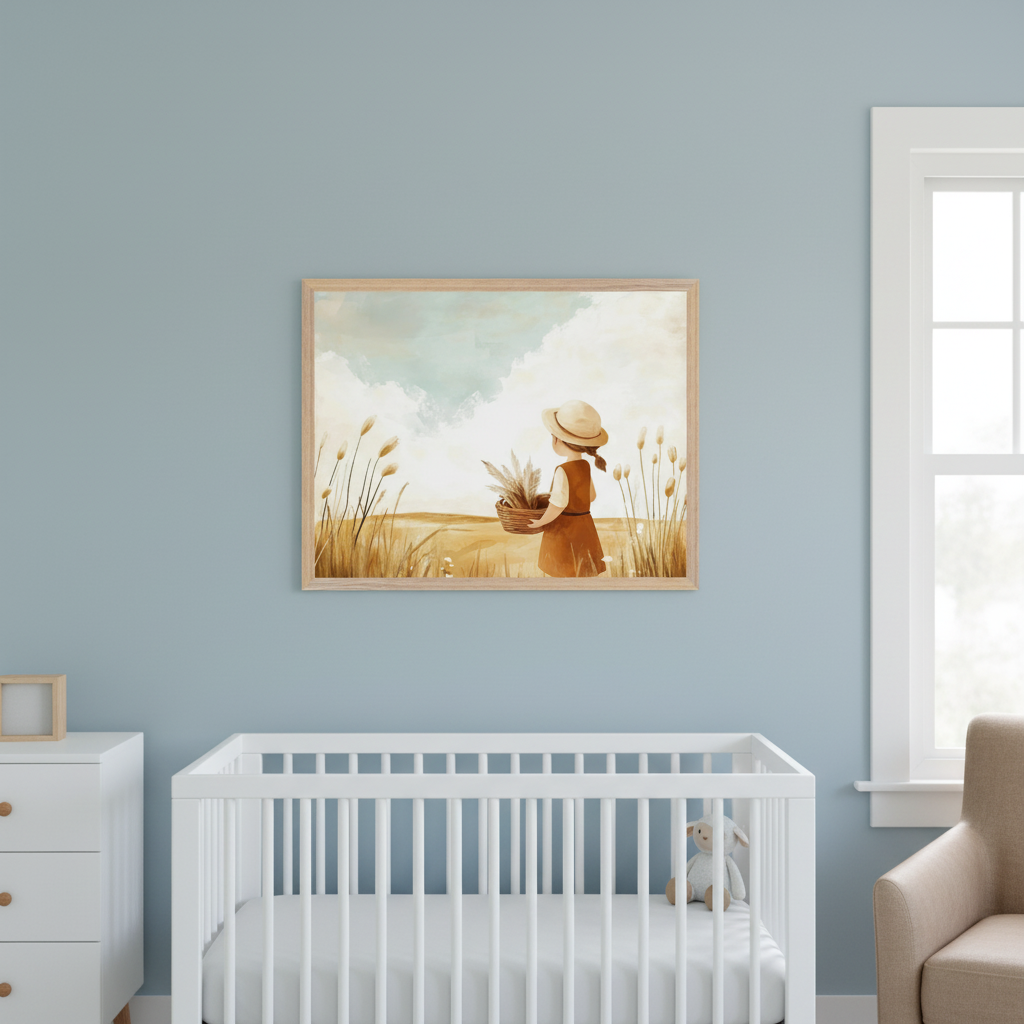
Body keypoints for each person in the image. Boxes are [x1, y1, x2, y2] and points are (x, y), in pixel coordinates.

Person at [530, 400, 609, 577]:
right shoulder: (585, 467)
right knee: (583, 573)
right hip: (585, 528)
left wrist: (541, 522)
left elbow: (557, 504)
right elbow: (592, 497)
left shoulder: (562, 470)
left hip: (564, 532)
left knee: (563, 574)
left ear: (558, 440)